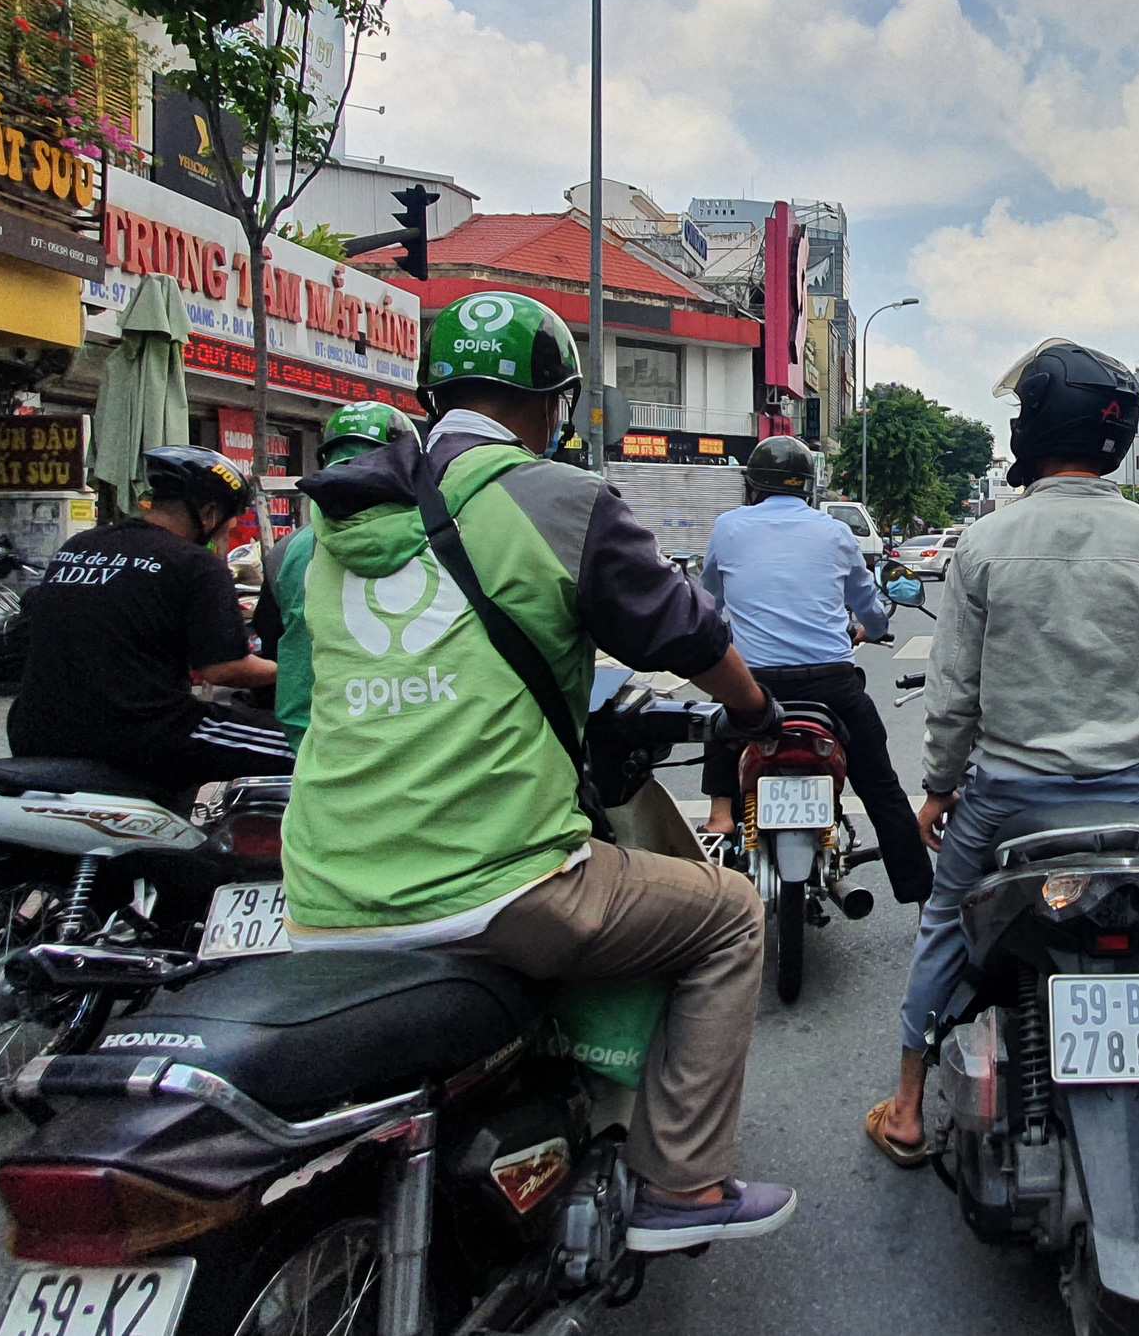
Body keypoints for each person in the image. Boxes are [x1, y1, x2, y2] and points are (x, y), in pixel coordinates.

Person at [280, 291, 795, 1250]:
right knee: (731, 913)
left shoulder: (328, 526)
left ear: (434, 391)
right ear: (556, 403)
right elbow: (685, 632)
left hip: (316, 891)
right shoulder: (559, 500)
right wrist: (755, 712)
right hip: (495, 886)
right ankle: (681, 1185)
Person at [867, 338, 1139, 1166]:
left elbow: (951, 698)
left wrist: (939, 788)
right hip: (1134, 796)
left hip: (1008, 803)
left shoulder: (986, 544)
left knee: (946, 921)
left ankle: (910, 1104)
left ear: (1034, 429)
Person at [697, 435, 933, 904]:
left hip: (755, 686)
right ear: (809, 486)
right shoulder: (835, 532)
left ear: (753, 485)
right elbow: (869, 608)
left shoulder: (727, 528)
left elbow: (710, 601)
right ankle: (924, 899)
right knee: (882, 789)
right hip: (832, 685)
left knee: (723, 712)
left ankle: (722, 813)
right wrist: (870, 627)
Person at [7, 446, 292, 790]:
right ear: (209, 513)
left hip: (35, 729)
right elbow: (225, 669)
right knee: (312, 748)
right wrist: (303, 669)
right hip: (142, 734)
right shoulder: (195, 565)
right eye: (226, 529)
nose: (223, 538)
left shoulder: (79, 545)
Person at [255, 401, 417, 751]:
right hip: (418, 749)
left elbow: (275, 650)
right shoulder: (440, 534)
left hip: (315, 749)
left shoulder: (287, 553)